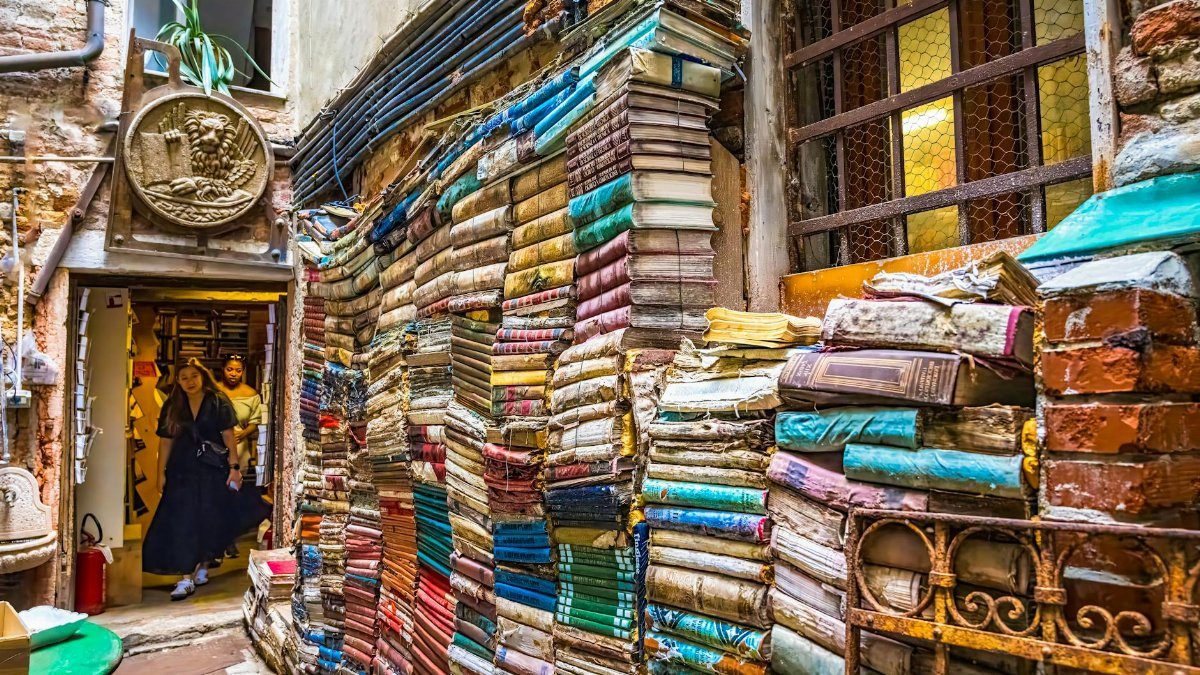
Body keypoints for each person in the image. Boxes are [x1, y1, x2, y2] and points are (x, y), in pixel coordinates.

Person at [142, 360, 242, 600]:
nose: (189, 381)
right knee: (182, 519)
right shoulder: (172, 405)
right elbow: (165, 441)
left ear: (203, 376)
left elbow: (229, 436)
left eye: (194, 376)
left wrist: (234, 468)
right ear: (177, 381)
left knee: (209, 516)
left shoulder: (218, 401)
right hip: (181, 469)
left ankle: (204, 563)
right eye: (184, 377)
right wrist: (160, 473)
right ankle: (185, 576)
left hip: (211, 469)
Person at [215, 354, 271, 559]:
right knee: (215, 497)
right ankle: (216, 542)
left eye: (238, 370)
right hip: (215, 449)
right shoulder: (214, 391)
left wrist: (243, 434)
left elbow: (256, 421)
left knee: (231, 496)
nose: (234, 374)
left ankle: (228, 540)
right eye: (230, 369)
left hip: (239, 450)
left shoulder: (251, 394)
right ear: (223, 369)